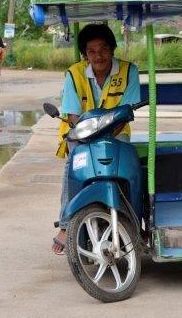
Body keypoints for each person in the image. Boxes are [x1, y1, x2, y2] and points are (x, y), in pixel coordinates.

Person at [52, 24, 140, 254]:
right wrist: (88, 135)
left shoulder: (129, 71)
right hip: (80, 134)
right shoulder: (74, 73)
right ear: (85, 55)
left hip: (117, 132)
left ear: (112, 49)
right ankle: (66, 223)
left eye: (103, 49)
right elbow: (72, 114)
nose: (98, 55)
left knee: (131, 169)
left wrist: (103, 135)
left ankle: (135, 219)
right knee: (73, 168)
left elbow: (127, 111)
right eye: (91, 51)